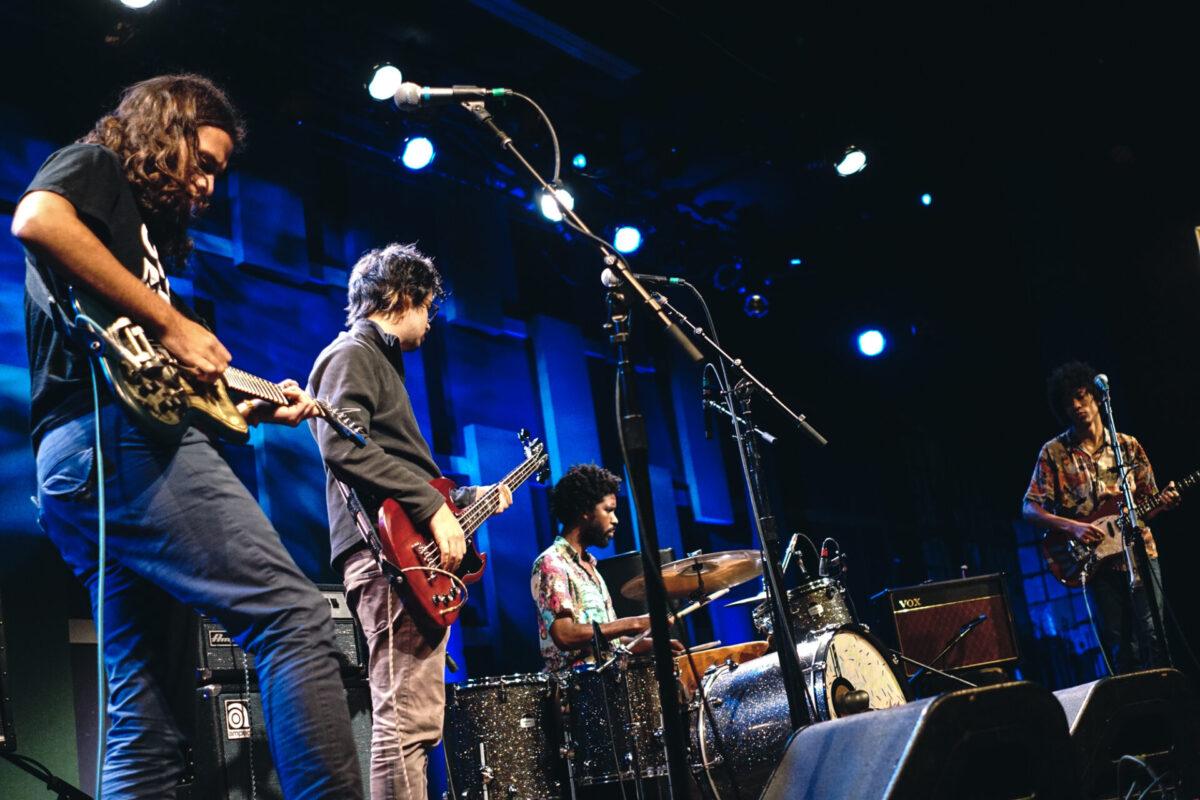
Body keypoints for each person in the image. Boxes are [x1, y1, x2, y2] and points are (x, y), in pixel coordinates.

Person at [14, 74, 363, 797]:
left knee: (143, 706)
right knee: (293, 617)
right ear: (162, 132)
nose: (207, 185)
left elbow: (157, 373)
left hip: (78, 466)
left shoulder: (137, 248)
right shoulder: (95, 166)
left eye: (216, 174)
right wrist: (174, 323)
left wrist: (255, 404)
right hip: (113, 440)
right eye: (202, 162)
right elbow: (37, 219)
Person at [307, 242, 511, 800]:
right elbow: (341, 447)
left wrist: (463, 498)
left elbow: (396, 464)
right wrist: (431, 508)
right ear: (402, 297)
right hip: (387, 561)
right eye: (427, 307)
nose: (429, 322)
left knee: (418, 722)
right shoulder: (351, 354)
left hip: (404, 557)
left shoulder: (381, 364)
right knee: (403, 720)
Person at [1022, 360, 1179, 673]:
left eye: (1082, 397)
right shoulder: (1054, 452)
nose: (1078, 406)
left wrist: (1165, 501)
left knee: (1155, 636)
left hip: (1139, 551)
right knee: (1122, 645)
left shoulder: (1128, 446)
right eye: (1070, 402)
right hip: (1096, 562)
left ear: (1096, 398)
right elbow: (1029, 507)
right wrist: (1074, 528)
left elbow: (1150, 501)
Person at [531, 463, 682, 672]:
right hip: (578, 696)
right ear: (585, 510)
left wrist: (652, 645)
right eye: (608, 510)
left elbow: (605, 642)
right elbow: (565, 635)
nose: (616, 520)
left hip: (608, 687)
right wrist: (636, 622)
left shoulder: (590, 567)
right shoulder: (552, 563)